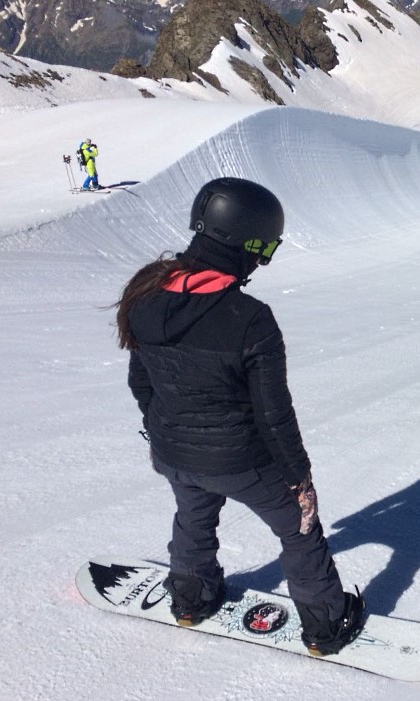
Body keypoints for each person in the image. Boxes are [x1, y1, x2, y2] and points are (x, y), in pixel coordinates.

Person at [113, 177, 364, 656]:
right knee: (299, 528)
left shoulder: (145, 296)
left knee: (193, 515)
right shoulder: (249, 317)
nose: (260, 261)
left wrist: (169, 431)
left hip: (172, 453)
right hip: (240, 461)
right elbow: (274, 415)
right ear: (244, 243)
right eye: (261, 249)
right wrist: (300, 480)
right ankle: (326, 625)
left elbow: (140, 383)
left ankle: (191, 597)